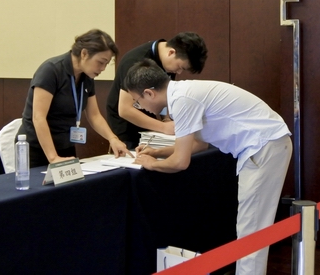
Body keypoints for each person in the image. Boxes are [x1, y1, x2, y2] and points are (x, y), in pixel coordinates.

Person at [123, 59, 292, 275]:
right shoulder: (183, 93)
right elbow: (198, 144)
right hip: (266, 146)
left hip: (263, 147)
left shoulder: (182, 100)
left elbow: (180, 162)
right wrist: (157, 152)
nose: (141, 107)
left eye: (137, 102)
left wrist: (152, 164)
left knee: (252, 230)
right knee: (251, 227)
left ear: (149, 93)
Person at [17, 29, 131, 168]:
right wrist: (53, 158)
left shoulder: (87, 77)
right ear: (84, 53)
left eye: (106, 64)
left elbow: (94, 116)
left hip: (65, 146)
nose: (103, 68)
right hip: (37, 149)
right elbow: (38, 117)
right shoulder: (51, 70)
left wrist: (113, 139)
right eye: (101, 62)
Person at [106, 32, 208, 149]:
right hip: (126, 127)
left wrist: (166, 119)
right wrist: (163, 127)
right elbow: (125, 110)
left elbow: (163, 96)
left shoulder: (168, 63)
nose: (179, 72)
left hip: (151, 126)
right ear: (171, 52)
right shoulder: (135, 61)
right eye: (180, 67)